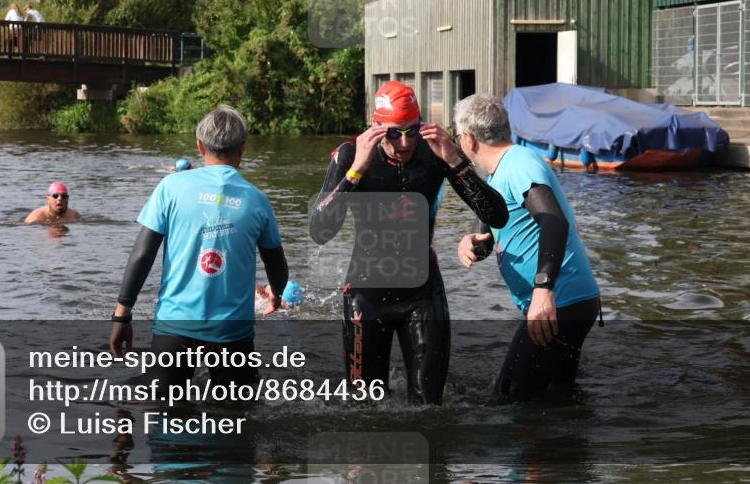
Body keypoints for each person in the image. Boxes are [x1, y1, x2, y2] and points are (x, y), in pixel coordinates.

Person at [309, 81, 509, 405]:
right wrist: (356, 171)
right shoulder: (351, 155)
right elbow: (319, 230)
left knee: (429, 408)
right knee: (366, 409)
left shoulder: (435, 154)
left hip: (422, 293)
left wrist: (455, 161)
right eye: (393, 133)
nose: (404, 142)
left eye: (412, 131)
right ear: (377, 128)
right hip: (366, 295)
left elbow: (497, 215)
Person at [109, 105, 289, 390]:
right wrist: (276, 294)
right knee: (237, 419)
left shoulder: (170, 187)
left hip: (175, 326)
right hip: (232, 332)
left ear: (200, 145)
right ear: (243, 147)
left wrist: (122, 313)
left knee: (165, 413)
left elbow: (143, 254)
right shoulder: (257, 201)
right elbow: (276, 265)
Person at [453, 94, 602, 402]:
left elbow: (553, 222)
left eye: (457, 136)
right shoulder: (498, 174)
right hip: (569, 301)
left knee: (505, 401)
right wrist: (476, 243)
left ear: (468, 139)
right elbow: (501, 229)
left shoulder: (519, 163)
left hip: (559, 301)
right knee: (557, 400)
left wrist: (543, 289)